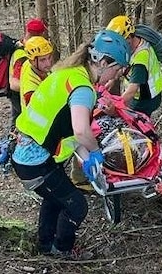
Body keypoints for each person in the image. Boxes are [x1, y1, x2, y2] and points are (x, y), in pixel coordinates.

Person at [12, 30, 130, 259]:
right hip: (36, 160)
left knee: (54, 199)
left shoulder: (69, 73)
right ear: (104, 63)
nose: (115, 78)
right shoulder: (83, 88)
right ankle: (63, 250)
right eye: (116, 70)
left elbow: (69, 130)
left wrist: (86, 158)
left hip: (30, 154)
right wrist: (95, 153)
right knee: (77, 206)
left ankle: (46, 244)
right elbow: (81, 130)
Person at [106, 15, 162, 117]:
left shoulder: (140, 59)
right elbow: (126, 67)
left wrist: (115, 105)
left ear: (128, 38)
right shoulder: (135, 43)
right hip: (141, 94)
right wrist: (112, 79)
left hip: (146, 98)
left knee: (137, 123)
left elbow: (132, 90)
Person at [8, 18, 48, 127]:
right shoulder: (22, 55)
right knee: (18, 124)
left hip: (21, 96)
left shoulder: (21, 45)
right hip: (20, 96)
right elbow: (14, 83)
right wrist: (36, 86)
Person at [19, 36, 55, 107]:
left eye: (49, 57)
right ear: (32, 61)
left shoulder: (28, 64)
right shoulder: (30, 90)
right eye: (43, 60)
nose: (48, 63)